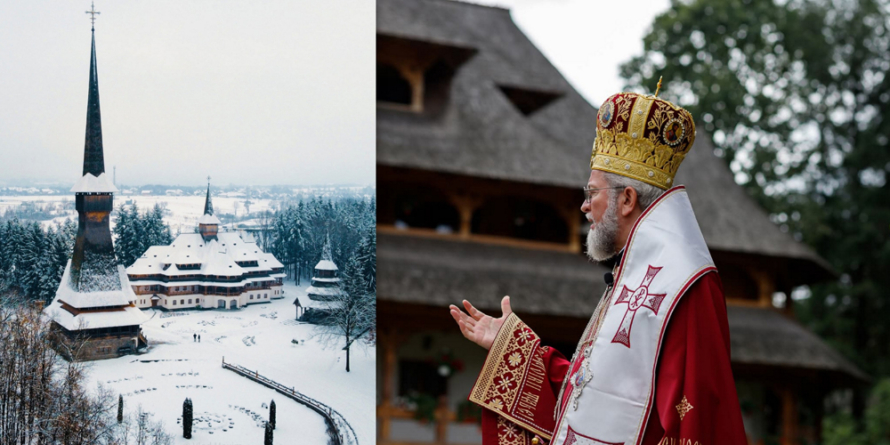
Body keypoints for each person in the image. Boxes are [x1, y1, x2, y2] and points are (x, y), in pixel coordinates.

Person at [450, 88, 747, 445]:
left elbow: (699, 416)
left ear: (626, 199)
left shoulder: (685, 282)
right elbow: (592, 393)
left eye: (592, 193)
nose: (584, 206)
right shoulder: (632, 275)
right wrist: (516, 348)